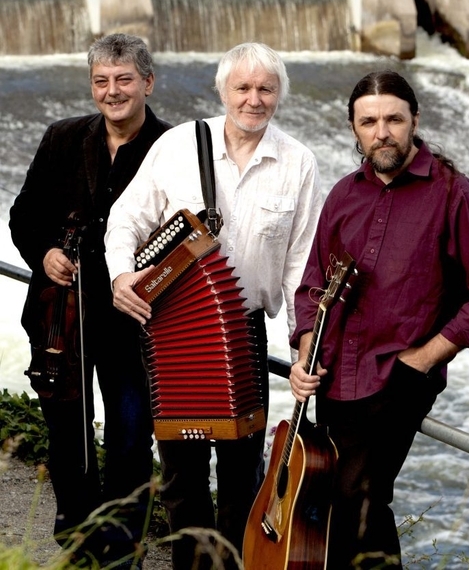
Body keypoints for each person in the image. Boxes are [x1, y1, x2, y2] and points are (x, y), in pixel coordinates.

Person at [104, 42, 323, 569]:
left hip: (245, 330)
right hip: (172, 328)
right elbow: (125, 218)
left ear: (280, 95)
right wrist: (119, 277)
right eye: (242, 88)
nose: (254, 99)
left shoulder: (298, 162)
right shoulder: (178, 145)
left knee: (243, 474)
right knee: (180, 475)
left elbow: (301, 268)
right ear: (223, 91)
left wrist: (303, 349)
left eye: (266, 89)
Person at [289, 70, 469, 570]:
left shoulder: (454, 194)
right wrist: (306, 343)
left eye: (393, 118)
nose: (382, 132)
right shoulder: (344, 196)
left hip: (398, 376)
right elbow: (310, 286)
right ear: (354, 129)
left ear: (415, 119)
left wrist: (427, 356)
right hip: (334, 377)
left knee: (359, 495)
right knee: (340, 502)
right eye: (369, 121)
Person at [9, 33, 171, 567]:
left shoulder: (173, 148)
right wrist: (47, 253)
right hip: (63, 320)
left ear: (147, 82)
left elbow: (189, 235)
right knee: (67, 439)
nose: (112, 91)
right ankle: (77, 541)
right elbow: (23, 216)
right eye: (101, 81)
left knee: (129, 440)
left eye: (124, 79)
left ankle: (123, 549)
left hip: (134, 325)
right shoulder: (61, 138)